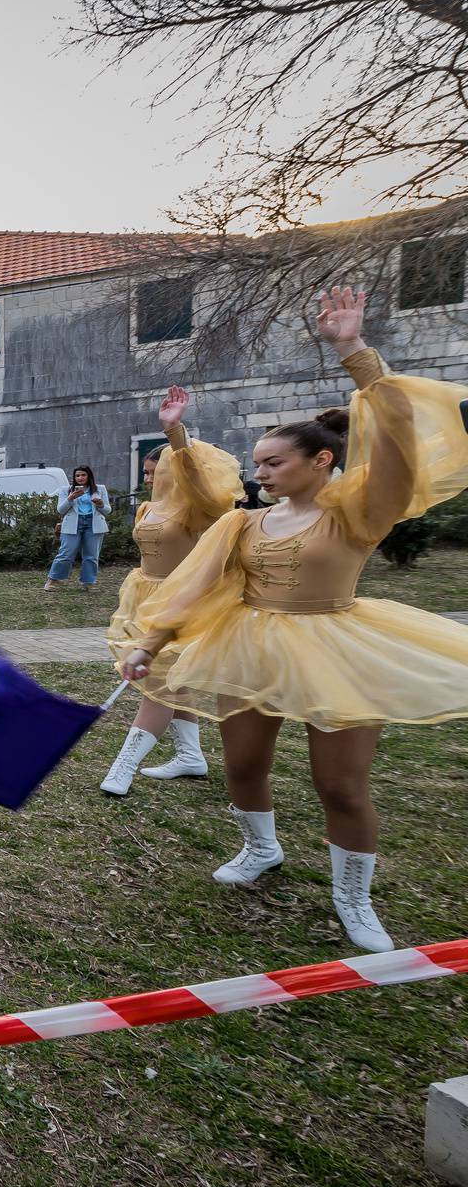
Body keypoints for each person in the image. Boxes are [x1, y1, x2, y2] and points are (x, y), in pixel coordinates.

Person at [122, 287, 468, 952]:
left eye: (273, 463)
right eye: (256, 465)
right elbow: (198, 588)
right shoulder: (244, 522)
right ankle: (261, 848)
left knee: (338, 784)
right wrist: (153, 642)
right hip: (250, 645)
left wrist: (353, 352)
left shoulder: (357, 513)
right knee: (243, 764)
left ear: (322, 462)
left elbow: (397, 441)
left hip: (336, 644)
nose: (262, 474)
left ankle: (353, 898)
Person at [99, 387, 243, 796]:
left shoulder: (198, 507)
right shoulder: (148, 509)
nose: (149, 479)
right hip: (145, 595)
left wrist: (175, 433)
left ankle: (123, 766)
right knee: (173, 680)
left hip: (185, 601)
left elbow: (198, 480)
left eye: (155, 472)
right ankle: (190, 755)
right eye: (145, 473)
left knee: (159, 683)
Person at [46, 466, 110, 591]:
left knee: (91, 556)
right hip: (72, 524)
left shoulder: (99, 489)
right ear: (74, 478)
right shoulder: (66, 490)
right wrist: (71, 498)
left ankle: (88, 582)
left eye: (83, 475)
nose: (80, 478)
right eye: (77, 476)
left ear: (89, 476)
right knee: (66, 554)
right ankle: (53, 581)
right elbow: (60, 510)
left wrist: (101, 504)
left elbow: (108, 510)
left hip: (93, 524)